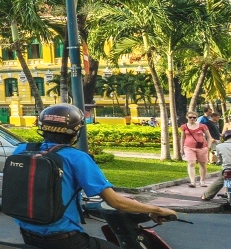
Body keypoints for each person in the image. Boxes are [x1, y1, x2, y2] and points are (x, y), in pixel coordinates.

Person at [11, 104, 176, 249]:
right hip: (64, 240)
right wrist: (158, 209)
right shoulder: (77, 157)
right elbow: (115, 201)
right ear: (76, 131)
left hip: (28, 234)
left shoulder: (22, 150)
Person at [181, 113, 214, 187]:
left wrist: (208, 147)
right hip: (188, 147)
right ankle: (192, 182)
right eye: (190, 117)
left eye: (194, 117)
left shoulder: (202, 126)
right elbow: (182, 138)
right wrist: (181, 148)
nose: (192, 119)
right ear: (187, 117)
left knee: (203, 164)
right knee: (191, 163)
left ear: (196, 118)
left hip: (202, 148)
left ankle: (202, 181)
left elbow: (209, 137)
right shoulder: (184, 126)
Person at [202, 130, 231, 201]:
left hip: (227, 169)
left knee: (220, 181)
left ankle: (206, 195)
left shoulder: (219, 146)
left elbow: (220, 159)